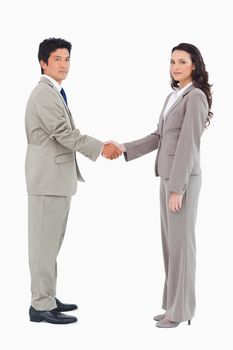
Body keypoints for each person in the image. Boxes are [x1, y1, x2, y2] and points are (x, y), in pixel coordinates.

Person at [109, 43, 213, 328]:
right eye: (172, 62)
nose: (175, 67)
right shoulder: (173, 96)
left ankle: (181, 312)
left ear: (194, 65)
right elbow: (159, 136)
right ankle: (172, 305)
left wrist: (178, 187)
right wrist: (124, 147)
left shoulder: (195, 97)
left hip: (182, 180)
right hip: (167, 177)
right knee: (171, 245)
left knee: (182, 246)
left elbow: (189, 143)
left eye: (182, 61)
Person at [25, 37, 121, 324]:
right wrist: (101, 147)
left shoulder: (55, 92)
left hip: (56, 180)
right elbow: (64, 133)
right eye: (57, 59)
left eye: (67, 59)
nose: (64, 64)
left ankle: (48, 298)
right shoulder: (44, 94)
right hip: (47, 181)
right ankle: (39, 306)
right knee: (43, 246)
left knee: (50, 245)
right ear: (43, 62)